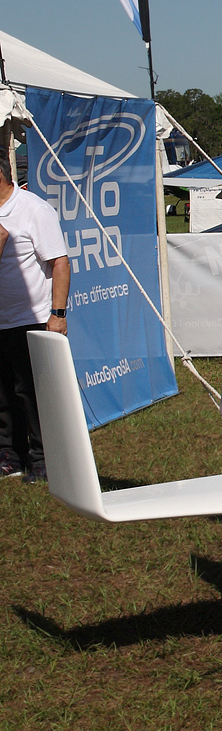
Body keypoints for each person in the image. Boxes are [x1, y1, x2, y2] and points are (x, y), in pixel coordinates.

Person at [0, 146, 71, 481]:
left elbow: (59, 261)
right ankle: (9, 455)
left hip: (29, 317)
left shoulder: (33, 209)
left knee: (30, 392)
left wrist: (57, 313)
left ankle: (43, 457)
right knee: (2, 393)